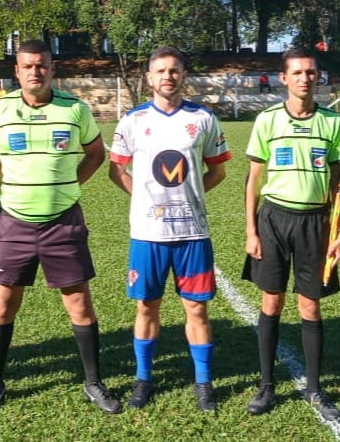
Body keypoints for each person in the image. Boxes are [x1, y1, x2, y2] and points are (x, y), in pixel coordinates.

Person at [0, 39, 122, 415]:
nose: (35, 71)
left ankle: (93, 382)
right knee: (4, 303)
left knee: (79, 303)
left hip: (63, 221)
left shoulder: (74, 109)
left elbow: (95, 153)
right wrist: (9, 185)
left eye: (41, 65)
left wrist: (69, 185)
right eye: (27, 66)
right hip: (14, 223)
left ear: (52, 69)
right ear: (17, 71)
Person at [108, 46, 231, 411]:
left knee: (197, 308)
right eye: (160, 70)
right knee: (147, 306)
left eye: (174, 70)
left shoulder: (203, 119)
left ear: (183, 75)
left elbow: (218, 171)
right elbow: (116, 171)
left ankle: (203, 382)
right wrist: (144, 200)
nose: (168, 76)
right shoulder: (132, 120)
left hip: (193, 233)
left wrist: (190, 197)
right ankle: (143, 379)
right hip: (149, 234)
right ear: (149, 77)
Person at [241, 48, 340, 422]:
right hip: (273, 220)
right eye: (298, 72)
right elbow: (253, 182)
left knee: (310, 306)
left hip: (315, 223)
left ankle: (315, 390)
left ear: (318, 77)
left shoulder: (332, 123)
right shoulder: (267, 120)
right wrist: (251, 230)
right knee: (271, 302)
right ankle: (266, 385)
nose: (305, 78)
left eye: (311, 72)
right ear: (284, 78)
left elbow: (339, 185)